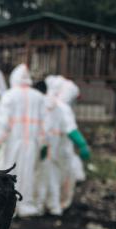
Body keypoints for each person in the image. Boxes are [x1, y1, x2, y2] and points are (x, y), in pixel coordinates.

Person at [0, 64, 46, 217]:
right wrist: (44, 144)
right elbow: (44, 124)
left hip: (14, 142)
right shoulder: (39, 97)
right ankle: (26, 205)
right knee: (28, 174)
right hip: (32, 142)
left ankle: (10, 207)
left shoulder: (9, 95)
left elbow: (4, 123)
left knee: (11, 172)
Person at [36, 76, 90, 216]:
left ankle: (45, 205)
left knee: (46, 178)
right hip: (58, 149)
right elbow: (70, 129)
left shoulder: (46, 102)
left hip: (48, 147)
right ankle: (55, 206)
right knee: (56, 179)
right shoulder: (62, 107)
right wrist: (82, 144)